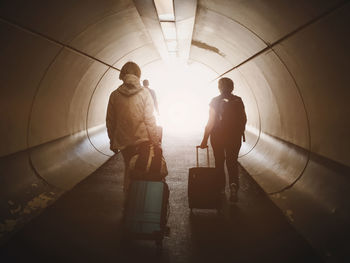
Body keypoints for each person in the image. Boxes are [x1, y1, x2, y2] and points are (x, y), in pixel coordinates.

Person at [106, 61, 160, 192]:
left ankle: (128, 201)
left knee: (129, 170)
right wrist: (155, 140)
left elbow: (110, 121)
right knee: (142, 169)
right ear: (138, 74)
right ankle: (140, 202)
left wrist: (112, 141)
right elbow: (149, 119)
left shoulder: (114, 95)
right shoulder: (145, 93)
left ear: (123, 75)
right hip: (142, 140)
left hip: (124, 142)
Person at [200, 77, 247, 203]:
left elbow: (210, 122)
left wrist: (204, 139)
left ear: (219, 87)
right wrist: (239, 132)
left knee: (219, 163)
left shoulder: (215, 101)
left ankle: (220, 189)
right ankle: (233, 187)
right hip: (234, 137)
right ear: (232, 87)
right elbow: (244, 119)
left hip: (218, 137)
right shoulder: (238, 100)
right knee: (232, 162)